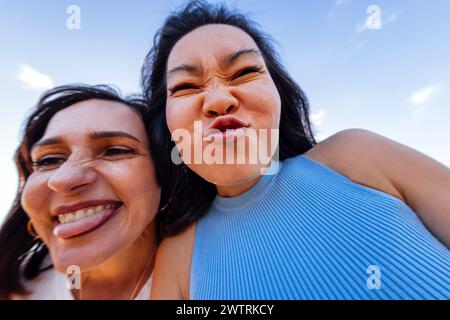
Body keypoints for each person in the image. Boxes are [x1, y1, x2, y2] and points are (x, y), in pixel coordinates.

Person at [142, 1, 450, 299]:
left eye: (244, 72)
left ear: (278, 94)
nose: (219, 100)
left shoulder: (358, 155)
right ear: (166, 125)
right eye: (185, 87)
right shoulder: (178, 256)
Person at [0, 85, 165, 299]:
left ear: (165, 178)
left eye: (115, 151)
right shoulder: (15, 288)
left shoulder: (208, 287)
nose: (63, 179)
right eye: (49, 160)